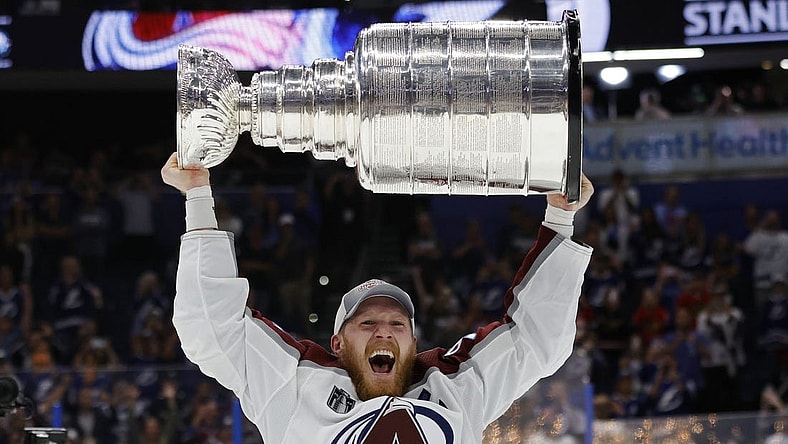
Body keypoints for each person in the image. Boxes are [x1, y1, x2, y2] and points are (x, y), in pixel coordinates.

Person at [161, 152, 594, 443]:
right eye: (367, 324)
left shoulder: (456, 390)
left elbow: (536, 340)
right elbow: (213, 331)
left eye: (396, 325)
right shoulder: (293, 386)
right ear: (338, 344)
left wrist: (561, 214)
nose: (383, 331)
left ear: (413, 342)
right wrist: (197, 192)